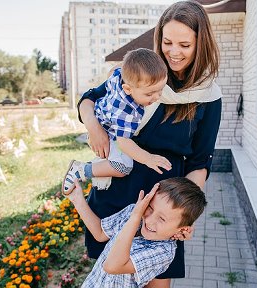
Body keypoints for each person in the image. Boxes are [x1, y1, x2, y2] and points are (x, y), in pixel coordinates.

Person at [77, 1, 222, 287]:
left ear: (200, 44)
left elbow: (199, 162)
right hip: (117, 199)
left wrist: (186, 216)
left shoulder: (208, 95)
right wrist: (94, 127)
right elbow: (89, 99)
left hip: (163, 208)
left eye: (185, 44)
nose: (174, 52)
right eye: (167, 42)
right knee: (109, 279)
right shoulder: (141, 71)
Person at [63, 46, 221, 194]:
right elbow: (124, 142)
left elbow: (115, 72)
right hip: (110, 132)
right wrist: (148, 159)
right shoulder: (126, 113)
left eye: (161, 90)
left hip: (105, 117)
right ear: (128, 89)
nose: (157, 97)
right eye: (150, 94)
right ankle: (83, 170)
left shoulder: (122, 77)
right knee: (123, 166)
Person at [65, 177, 207, 288]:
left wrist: (134, 218)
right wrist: (77, 199)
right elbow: (100, 233)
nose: (150, 220)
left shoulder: (163, 252)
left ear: (182, 229)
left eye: (162, 219)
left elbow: (112, 266)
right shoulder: (135, 212)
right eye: (150, 208)